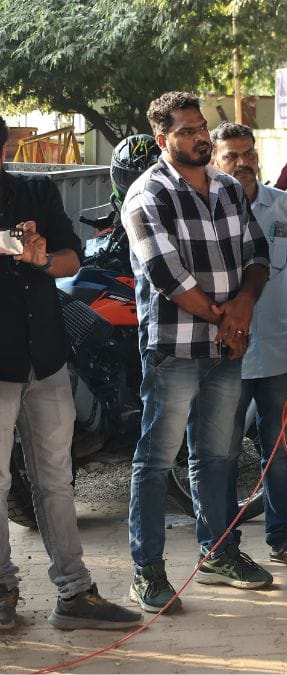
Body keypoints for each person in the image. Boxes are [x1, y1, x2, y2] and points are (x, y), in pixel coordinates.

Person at [123, 91, 273, 613]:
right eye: (186, 130)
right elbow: (167, 276)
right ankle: (147, 569)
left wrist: (245, 307)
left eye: (201, 127)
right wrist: (227, 318)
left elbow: (259, 253)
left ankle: (219, 551)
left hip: (228, 347)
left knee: (219, 455)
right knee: (156, 460)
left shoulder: (229, 188)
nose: (200, 136)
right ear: (163, 139)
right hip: (176, 350)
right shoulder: (148, 194)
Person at [0, 116, 143, 632]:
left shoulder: (35, 190)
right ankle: (3, 591)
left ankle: (75, 593)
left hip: (46, 359)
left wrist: (38, 258)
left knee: (56, 481)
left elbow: (70, 260)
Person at [209, 122, 287, 570]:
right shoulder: (206, 211)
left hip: (277, 354)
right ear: (214, 161)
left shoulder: (284, 206)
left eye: (248, 153)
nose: (242, 162)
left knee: (281, 452)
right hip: (224, 357)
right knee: (221, 456)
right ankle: (221, 546)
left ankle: (283, 539)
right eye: (231, 156)